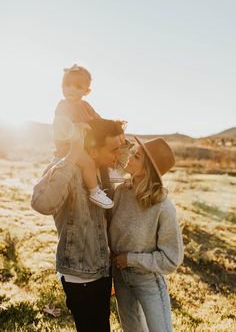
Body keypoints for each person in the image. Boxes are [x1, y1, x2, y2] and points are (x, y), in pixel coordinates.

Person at [31, 118, 128, 332]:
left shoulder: (102, 172)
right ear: (93, 151)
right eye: (113, 150)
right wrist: (73, 152)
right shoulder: (70, 168)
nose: (117, 156)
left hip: (102, 271)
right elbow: (41, 203)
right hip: (79, 275)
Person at [109, 137, 184, 332]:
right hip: (120, 277)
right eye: (132, 152)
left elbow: (171, 259)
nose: (130, 157)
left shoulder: (162, 206)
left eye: (137, 156)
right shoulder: (121, 193)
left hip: (147, 281)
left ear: (148, 168)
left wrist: (132, 259)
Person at [53, 63, 118, 209]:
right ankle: (94, 191)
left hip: (83, 144)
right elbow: (62, 125)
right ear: (61, 86)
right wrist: (78, 126)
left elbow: (98, 120)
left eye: (77, 87)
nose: (71, 89)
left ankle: (108, 169)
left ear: (86, 91)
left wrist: (111, 125)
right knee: (88, 162)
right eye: (67, 84)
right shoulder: (63, 106)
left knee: (102, 148)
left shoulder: (86, 106)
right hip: (68, 148)